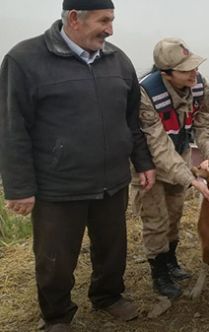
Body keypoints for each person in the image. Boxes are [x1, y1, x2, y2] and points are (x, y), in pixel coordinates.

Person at [0, 0, 156, 330]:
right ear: (74, 18)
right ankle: (57, 316)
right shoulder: (25, 60)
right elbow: (13, 127)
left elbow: (131, 120)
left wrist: (143, 163)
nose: (111, 29)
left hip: (112, 181)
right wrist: (19, 187)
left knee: (112, 248)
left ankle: (108, 296)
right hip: (58, 187)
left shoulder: (118, 60)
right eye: (104, 21)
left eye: (112, 20)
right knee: (55, 259)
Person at [132, 38, 209, 299]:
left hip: (179, 152)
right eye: (185, 70)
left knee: (175, 212)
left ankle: (171, 260)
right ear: (166, 74)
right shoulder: (144, 93)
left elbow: (205, 122)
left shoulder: (199, 85)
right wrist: (191, 179)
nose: (194, 73)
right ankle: (159, 273)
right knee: (156, 219)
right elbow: (157, 144)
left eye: (194, 67)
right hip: (149, 165)